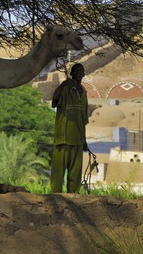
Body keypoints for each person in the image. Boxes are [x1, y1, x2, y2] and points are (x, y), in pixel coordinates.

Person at [50, 63, 89, 193]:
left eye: (81, 71)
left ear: (84, 74)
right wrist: (62, 85)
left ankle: (73, 199)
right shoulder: (66, 89)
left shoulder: (84, 92)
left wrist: (84, 141)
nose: (79, 73)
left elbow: (83, 120)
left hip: (78, 140)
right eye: (76, 70)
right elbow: (54, 102)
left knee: (75, 174)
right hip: (63, 138)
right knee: (58, 174)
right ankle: (55, 197)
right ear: (72, 73)